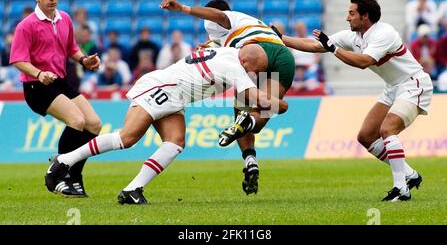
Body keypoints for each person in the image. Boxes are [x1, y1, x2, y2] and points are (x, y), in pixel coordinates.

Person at [44, 45, 288, 204]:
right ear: (245, 61)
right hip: (163, 87)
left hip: (175, 94)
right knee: (126, 138)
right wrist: (280, 104)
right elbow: (256, 98)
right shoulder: (235, 66)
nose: (253, 75)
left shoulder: (227, 51)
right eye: (255, 70)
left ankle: (132, 190)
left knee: (175, 143)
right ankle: (64, 160)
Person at [272, 0, 432, 202]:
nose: (347, 18)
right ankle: (410, 175)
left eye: (352, 13)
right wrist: (280, 38)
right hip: (393, 87)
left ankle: (401, 189)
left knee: (387, 130)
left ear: (365, 16)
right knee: (365, 137)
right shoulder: (353, 37)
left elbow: (364, 61)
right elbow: (314, 45)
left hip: (413, 84)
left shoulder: (384, 33)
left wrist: (334, 49)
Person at [160, 0, 295, 195]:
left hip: (256, 50)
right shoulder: (238, 32)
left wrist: (183, 8)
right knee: (260, 114)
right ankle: (251, 161)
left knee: (240, 105)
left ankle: (247, 134)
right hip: (284, 58)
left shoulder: (228, 18)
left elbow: (219, 15)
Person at [9, 0, 102, 197]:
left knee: (94, 125)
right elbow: (18, 60)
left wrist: (84, 60)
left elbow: (71, 48)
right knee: (77, 121)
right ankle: (58, 170)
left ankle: (74, 178)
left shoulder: (64, 19)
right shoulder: (26, 25)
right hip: (36, 86)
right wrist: (38, 73)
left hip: (59, 81)